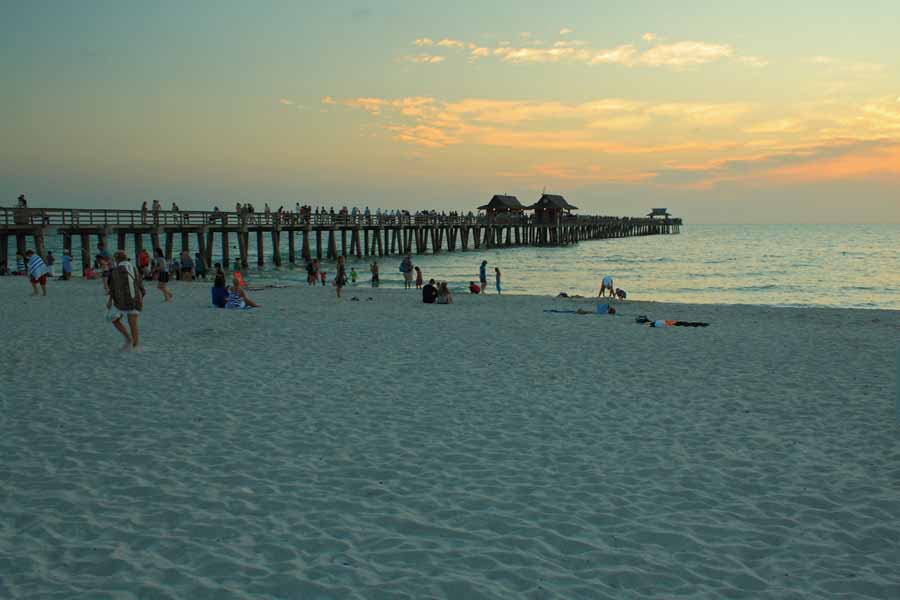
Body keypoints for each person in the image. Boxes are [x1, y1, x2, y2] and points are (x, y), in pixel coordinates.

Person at [107, 251, 145, 351]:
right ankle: (135, 346)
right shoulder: (134, 268)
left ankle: (128, 339)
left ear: (117, 259)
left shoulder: (115, 270)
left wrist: (110, 300)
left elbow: (112, 287)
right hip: (135, 299)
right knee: (133, 324)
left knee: (113, 318)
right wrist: (142, 296)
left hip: (121, 300)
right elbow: (140, 284)